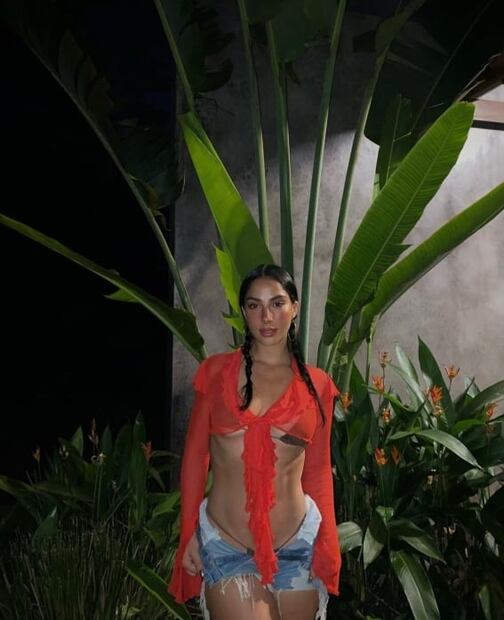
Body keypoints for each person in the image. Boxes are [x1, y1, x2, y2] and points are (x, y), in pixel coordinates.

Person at [168, 264, 341, 620]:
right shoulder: (215, 372)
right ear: (244, 312)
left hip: (298, 545)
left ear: (294, 307)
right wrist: (188, 535)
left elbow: (318, 471)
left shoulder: (318, 385)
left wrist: (327, 543)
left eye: (277, 303)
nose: (266, 317)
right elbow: (196, 458)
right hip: (228, 544)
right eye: (254, 305)